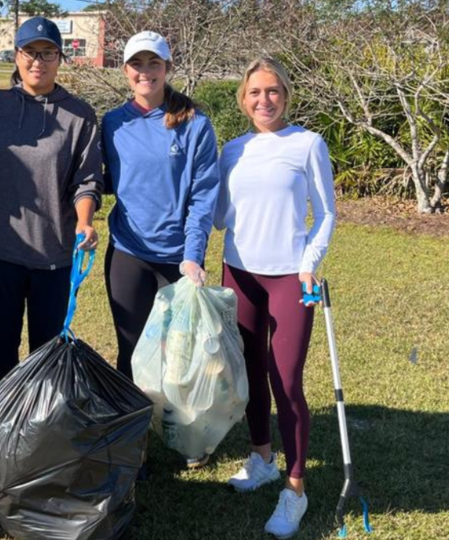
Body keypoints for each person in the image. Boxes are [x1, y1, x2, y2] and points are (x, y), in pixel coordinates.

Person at [216, 57, 336, 538]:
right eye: (254, 93)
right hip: (238, 271)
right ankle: (262, 458)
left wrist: (310, 262)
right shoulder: (233, 150)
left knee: (285, 380)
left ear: (285, 94)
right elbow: (220, 214)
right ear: (242, 100)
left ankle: (295, 488)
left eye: (272, 91)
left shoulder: (308, 144)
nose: (263, 100)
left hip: (290, 276)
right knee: (245, 369)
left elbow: (326, 212)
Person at [101, 30, 221, 469]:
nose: (145, 72)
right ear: (126, 71)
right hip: (129, 251)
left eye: (154, 64)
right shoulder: (113, 123)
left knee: (181, 351)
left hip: (178, 258)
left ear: (167, 69)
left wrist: (192, 254)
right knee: (131, 349)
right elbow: (103, 181)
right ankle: (134, 438)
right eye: (137, 64)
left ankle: (186, 435)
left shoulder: (194, 124)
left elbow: (203, 197)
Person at [0, 16, 102, 390]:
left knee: (47, 351)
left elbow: (87, 180)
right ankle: (1, 430)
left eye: (48, 53)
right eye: (30, 52)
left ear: (60, 58)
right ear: (16, 56)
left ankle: (41, 431)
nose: (38, 61)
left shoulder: (79, 114)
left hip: (55, 253)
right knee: (1, 346)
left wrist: (85, 221)